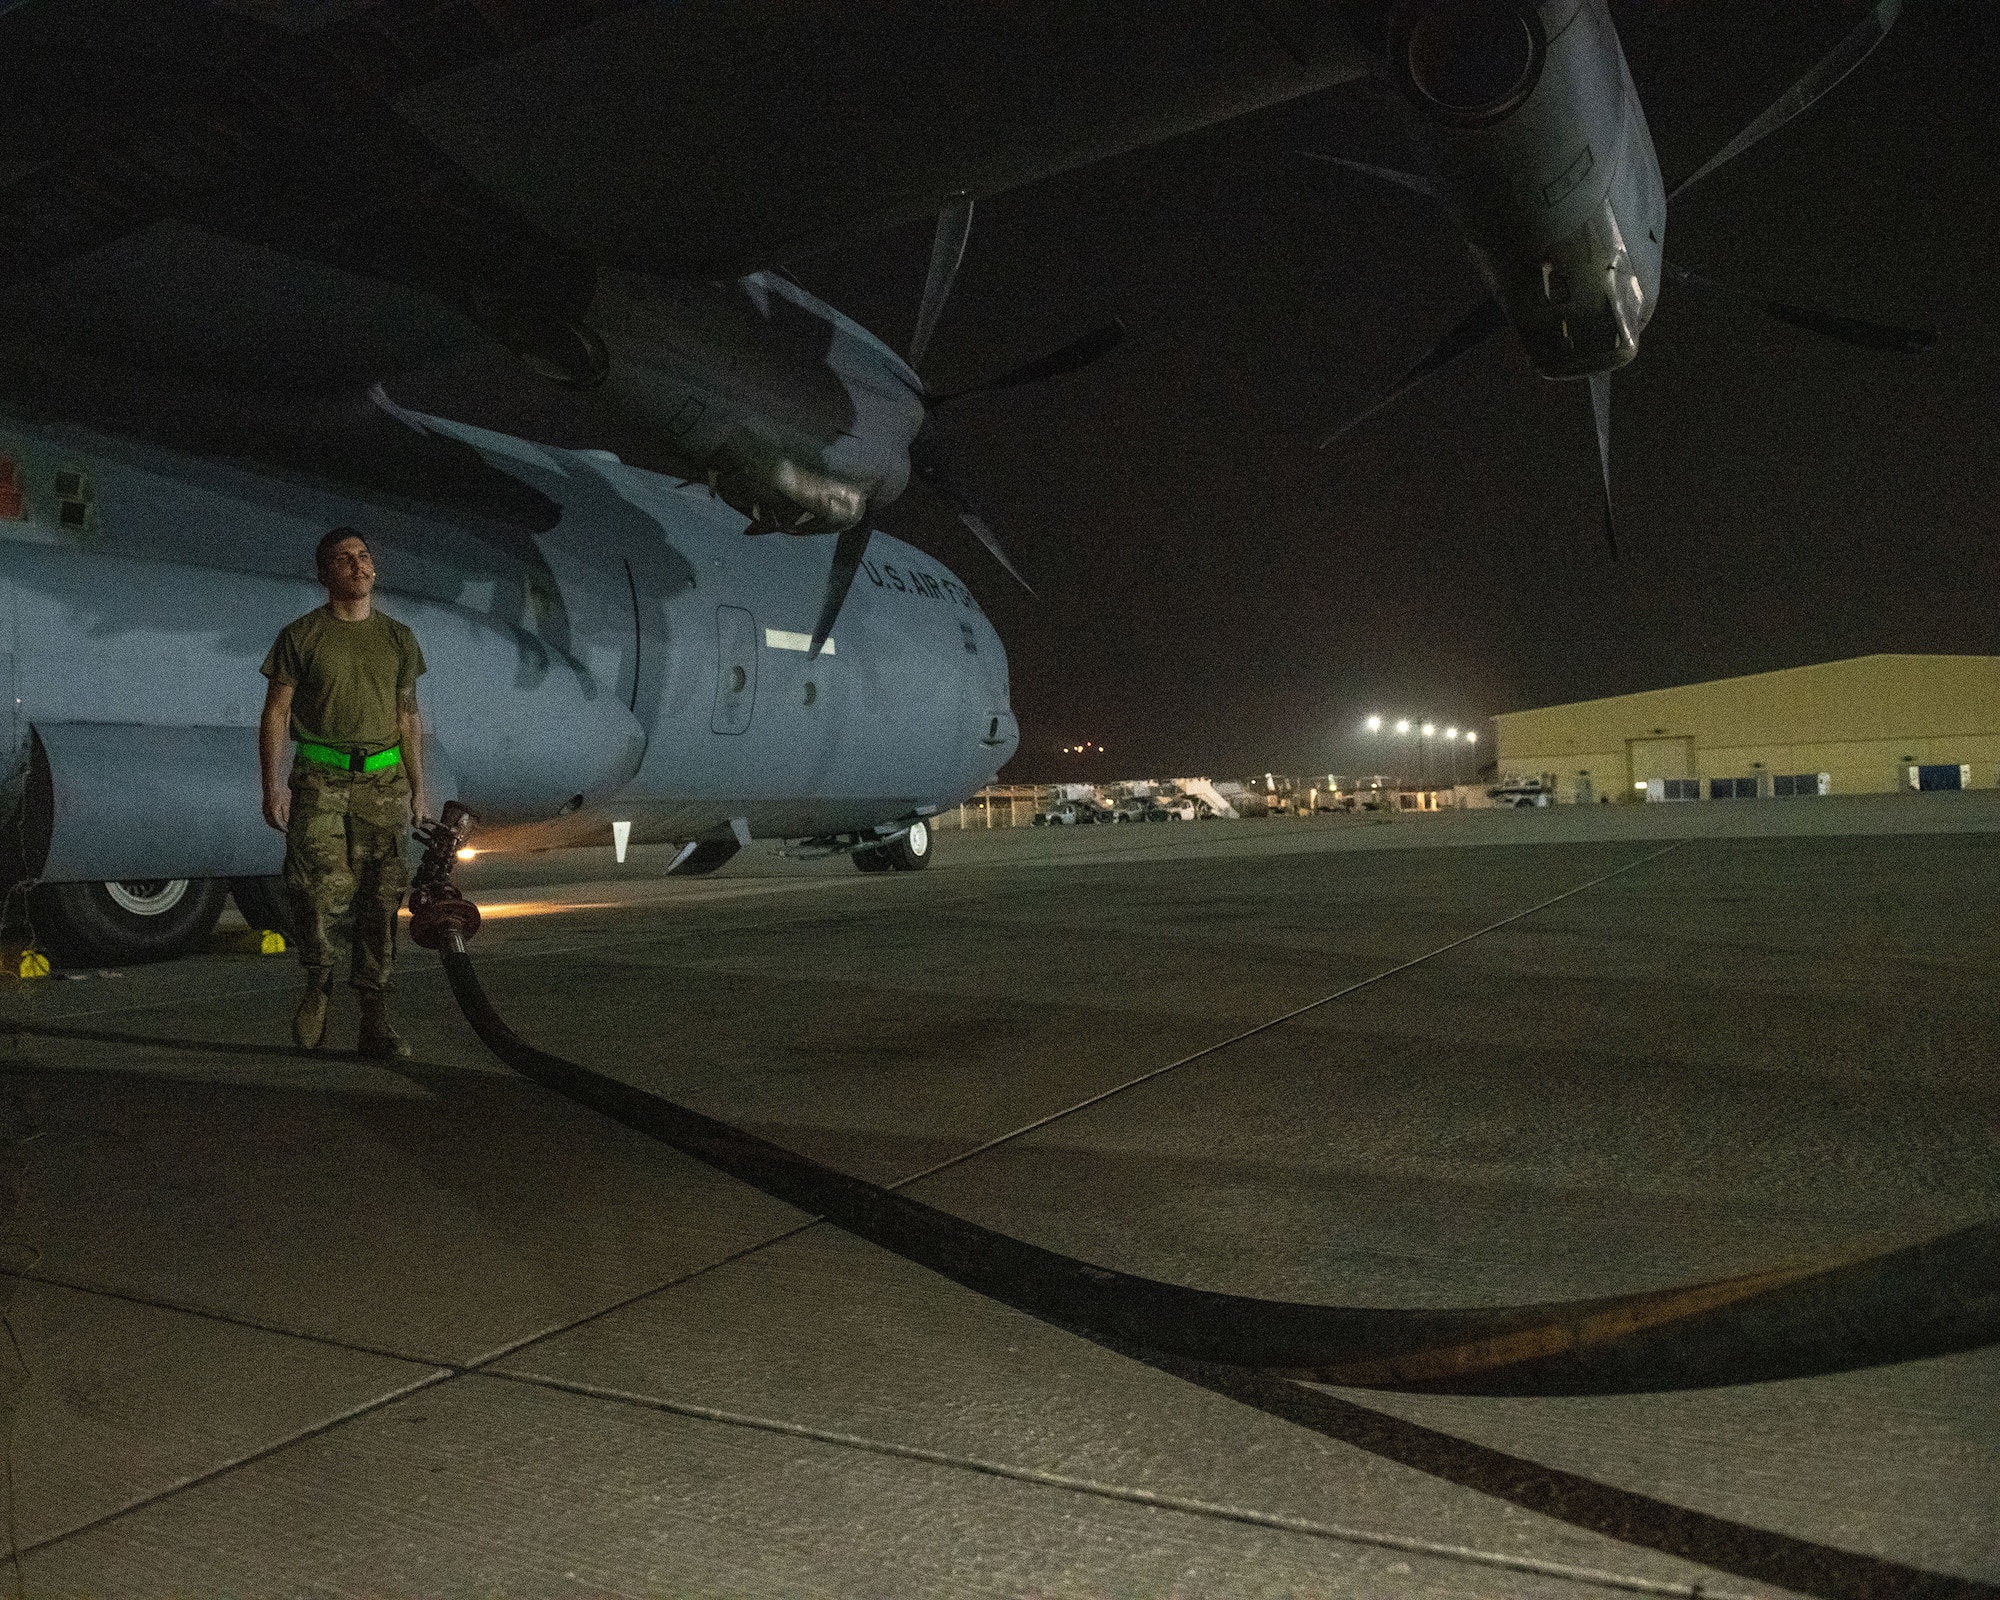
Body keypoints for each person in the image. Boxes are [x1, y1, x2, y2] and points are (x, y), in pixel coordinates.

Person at [259, 528, 428, 1057]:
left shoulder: (399, 638)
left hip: (383, 783)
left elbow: (407, 716)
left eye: (363, 556)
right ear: (324, 575)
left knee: (381, 900)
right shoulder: (300, 636)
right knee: (313, 892)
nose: (357, 565)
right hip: (320, 781)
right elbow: (277, 713)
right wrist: (271, 785)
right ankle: (319, 982)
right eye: (343, 559)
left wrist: (418, 789)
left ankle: (375, 1015)